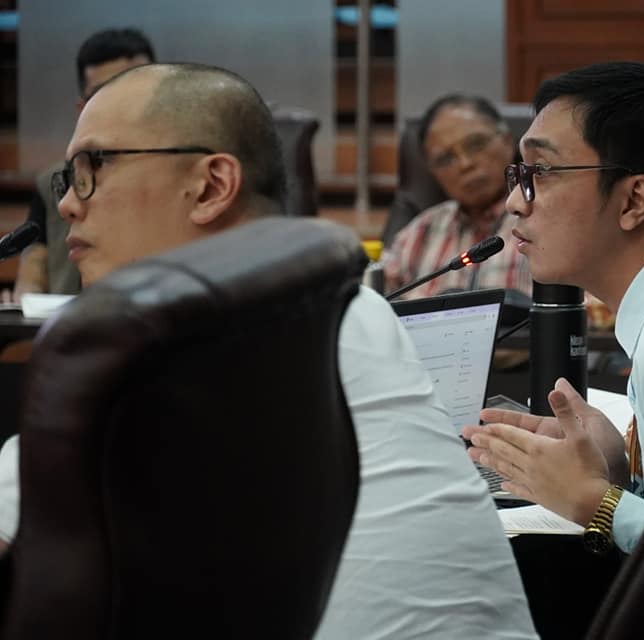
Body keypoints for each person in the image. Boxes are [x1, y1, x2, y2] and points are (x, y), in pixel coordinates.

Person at [0, 63, 538, 640]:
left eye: (94, 168)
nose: (68, 205)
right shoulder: (354, 308)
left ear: (211, 185)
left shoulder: (147, 356)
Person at [463, 62, 644, 555]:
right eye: (519, 173)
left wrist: (596, 501)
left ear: (633, 201)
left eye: (542, 172)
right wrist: (619, 468)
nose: (514, 202)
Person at [2, 28, 155, 303]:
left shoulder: (177, 174)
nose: (122, 104)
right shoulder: (53, 183)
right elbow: (32, 276)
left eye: (135, 89)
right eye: (103, 93)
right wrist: (26, 299)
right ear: (83, 108)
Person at [382, 94, 532, 299]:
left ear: (507, 141)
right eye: (446, 158)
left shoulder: (543, 223)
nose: (465, 164)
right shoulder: (417, 234)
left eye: (476, 145)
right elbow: (373, 302)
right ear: (433, 173)